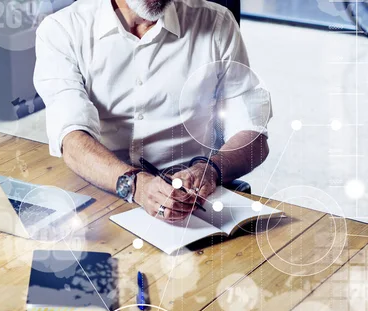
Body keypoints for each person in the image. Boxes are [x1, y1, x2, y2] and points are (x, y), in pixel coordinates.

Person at [34, 0, 272, 220]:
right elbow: (72, 138)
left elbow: (254, 133)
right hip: (100, 189)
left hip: (191, 201)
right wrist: (136, 185)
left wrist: (209, 169)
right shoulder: (61, 30)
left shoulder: (217, 23)